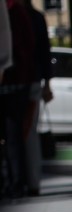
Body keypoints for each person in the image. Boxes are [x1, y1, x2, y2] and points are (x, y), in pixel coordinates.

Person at [0, 0, 33, 200]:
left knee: (13, 137)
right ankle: (16, 183)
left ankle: (12, 182)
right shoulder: (18, 10)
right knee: (14, 138)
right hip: (17, 82)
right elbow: (29, 46)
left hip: (13, 81)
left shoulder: (14, 10)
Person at [22, 0, 53, 197]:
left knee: (26, 134)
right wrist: (47, 83)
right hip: (31, 80)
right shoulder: (36, 18)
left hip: (24, 81)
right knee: (29, 134)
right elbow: (44, 52)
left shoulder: (29, 17)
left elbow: (43, 52)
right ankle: (31, 181)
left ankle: (26, 180)